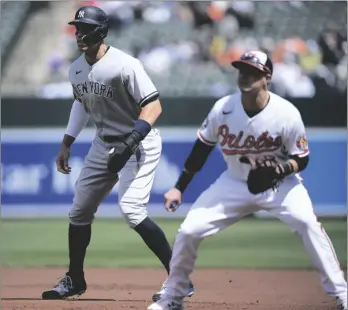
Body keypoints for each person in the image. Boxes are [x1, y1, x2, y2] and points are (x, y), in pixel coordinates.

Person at [147, 51, 347, 310]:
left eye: (252, 71)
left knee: (307, 223)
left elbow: (302, 158)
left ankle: (342, 294)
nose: (245, 75)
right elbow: (201, 149)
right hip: (234, 182)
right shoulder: (224, 108)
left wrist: (280, 169)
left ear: (267, 77)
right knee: (188, 230)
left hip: (281, 185)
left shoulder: (286, 113)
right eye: (242, 70)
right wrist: (178, 187)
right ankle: (172, 297)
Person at [41, 5, 195, 301]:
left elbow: (154, 106)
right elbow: (81, 104)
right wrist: (66, 142)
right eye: (77, 28)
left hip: (138, 142)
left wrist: (129, 144)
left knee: (131, 210)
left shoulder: (125, 64)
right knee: (79, 211)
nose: (79, 34)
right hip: (103, 143)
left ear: (101, 31)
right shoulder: (76, 68)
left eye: (85, 28)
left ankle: (181, 278)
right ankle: (75, 279)